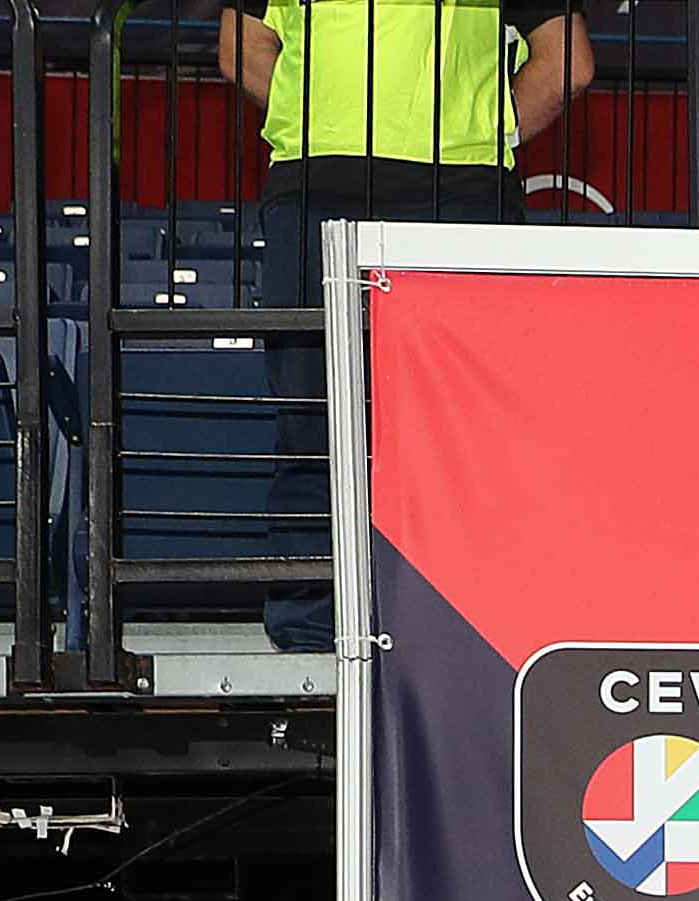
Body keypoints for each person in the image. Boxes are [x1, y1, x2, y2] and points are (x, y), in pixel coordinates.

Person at [220, 0, 583, 649]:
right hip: (454, 193)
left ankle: (314, 626)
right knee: (454, 431)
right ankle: (457, 625)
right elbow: (566, 63)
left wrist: (332, 122)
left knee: (317, 419)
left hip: (329, 184)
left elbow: (241, 47)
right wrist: (480, 135)